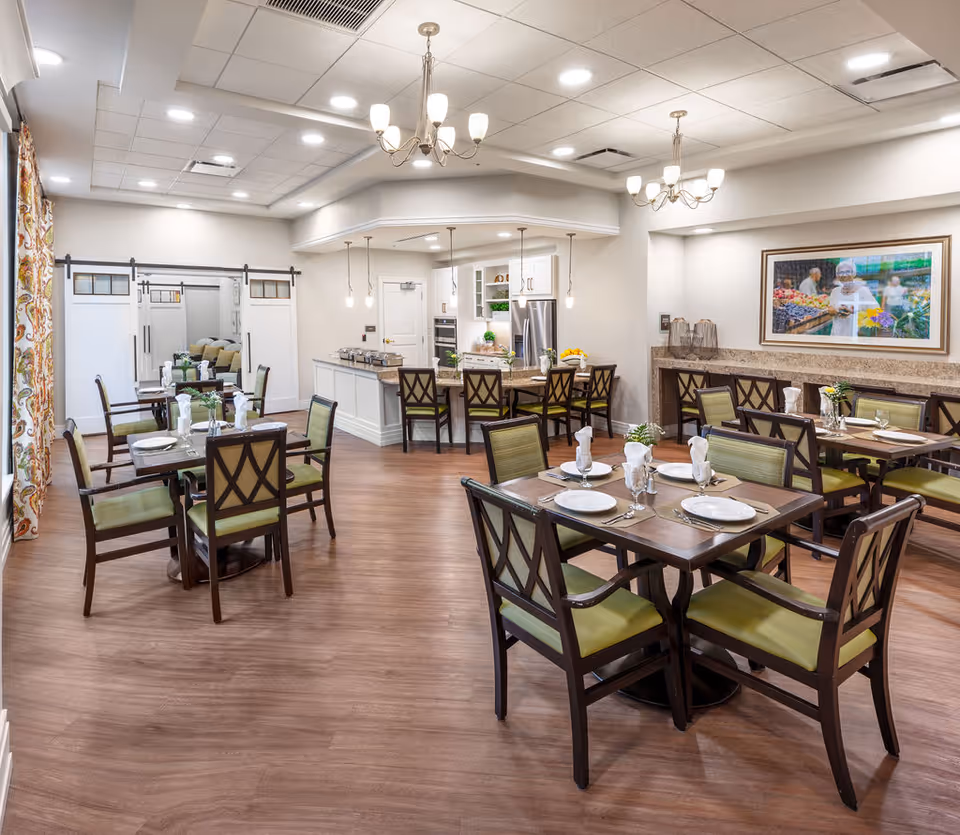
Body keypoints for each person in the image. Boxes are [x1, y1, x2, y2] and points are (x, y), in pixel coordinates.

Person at [828, 260, 879, 338]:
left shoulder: (863, 292)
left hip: (854, 337)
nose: (844, 275)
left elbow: (877, 314)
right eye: (840, 272)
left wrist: (855, 313)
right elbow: (830, 308)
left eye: (847, 271)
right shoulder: (835, 291)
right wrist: (833, 311)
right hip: (836, 336)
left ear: (853, 274)